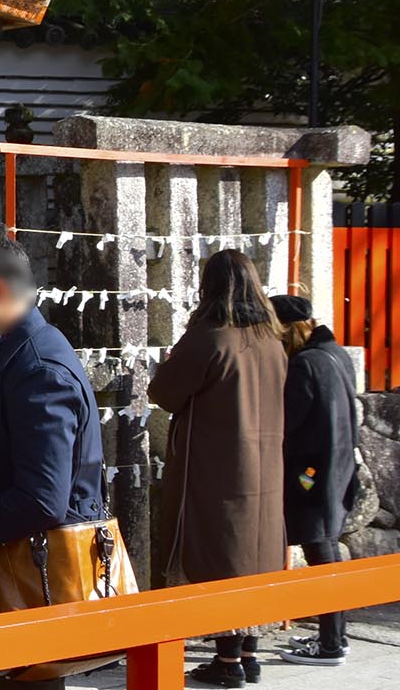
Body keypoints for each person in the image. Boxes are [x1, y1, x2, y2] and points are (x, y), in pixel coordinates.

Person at [0, 224, 104, 690]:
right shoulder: (19, 354)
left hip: (36, 579)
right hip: (20, 574)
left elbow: (41, 500)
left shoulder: (37, 367)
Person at [147, 250, 287, 688]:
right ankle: (247, 652)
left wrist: (167, 364)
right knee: (253, 551)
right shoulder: (272, 341)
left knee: (221, 550)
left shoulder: (210, 338)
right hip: (264, 467)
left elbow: (165, 393)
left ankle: (227, 662)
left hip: (216, 465)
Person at [271, 293, 358, 667]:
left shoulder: (305, 365)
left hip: (310, 474)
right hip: (336, 467)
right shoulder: (335, 354)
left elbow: (287, 422)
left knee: (320, 551)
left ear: (287, 328)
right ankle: (335, 635)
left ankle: (330, 645)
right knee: (327, 550)